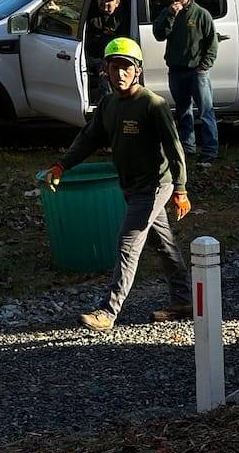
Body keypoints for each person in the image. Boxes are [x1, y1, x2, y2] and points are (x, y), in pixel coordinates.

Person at [44, 37, 191, 332]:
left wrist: (180, 189)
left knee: (128, 242)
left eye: (127, 68)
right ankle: (184, 301)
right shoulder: (109, 104)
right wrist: (63, 165)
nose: (120, 74)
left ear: (137, 71)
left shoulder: (152, 104)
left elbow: (175, 148)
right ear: (106, 71)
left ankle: (108, 312)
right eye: (115, 67)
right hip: (130, 185)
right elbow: (89, 138)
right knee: (162, 243)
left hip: (154, 185)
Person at [154, 0, 224, 164]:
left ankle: (210, 151)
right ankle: (188, 147)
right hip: (176, 71)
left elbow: (212, 43)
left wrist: (204, 66)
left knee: (206, 111)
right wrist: (170, 15)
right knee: (183, 110)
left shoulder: (202, 15)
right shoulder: (169, 12)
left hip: (197, 72)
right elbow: (159, 34)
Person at [79, 0, 130, 95]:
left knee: (106, 79)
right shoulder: (90, 8)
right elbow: (74, 14)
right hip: (86, 56)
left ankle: (108, 104)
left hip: (108, 59)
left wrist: (108, 62)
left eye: (109, 0)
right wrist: (59, 10)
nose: (104, 3)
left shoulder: (124, 19)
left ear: (117, 3)